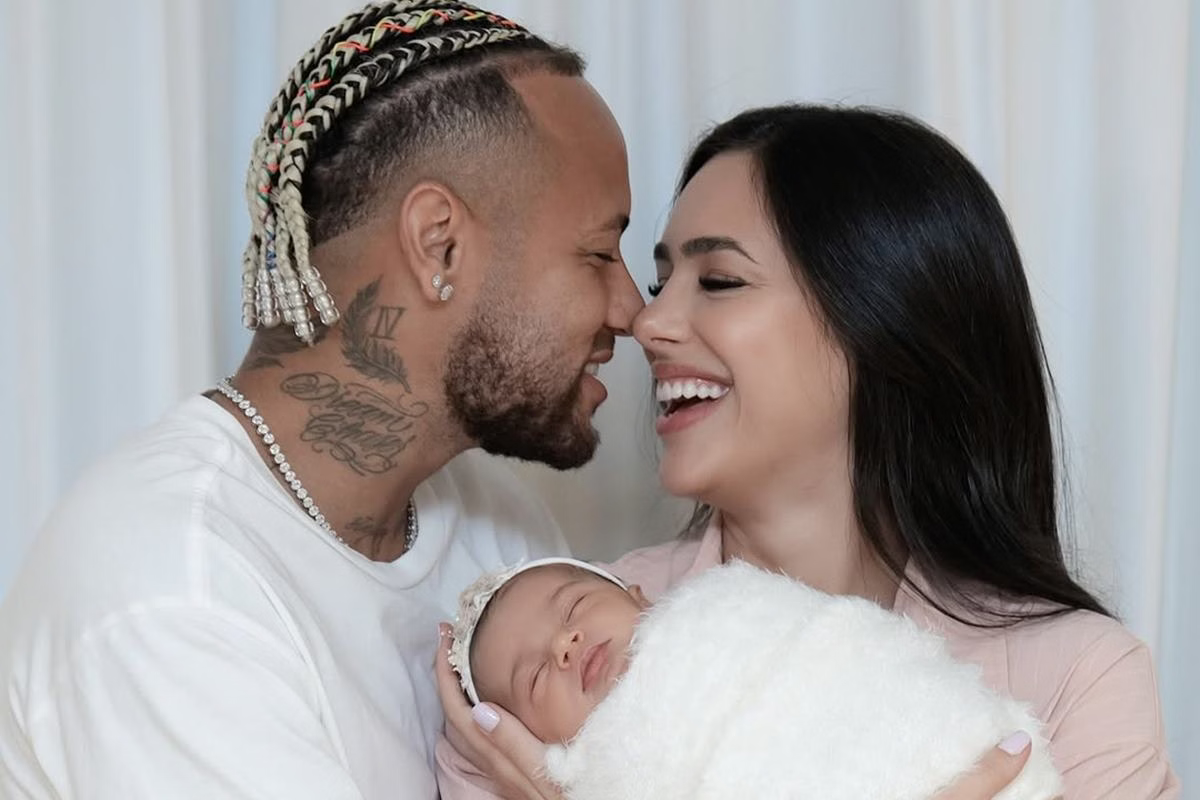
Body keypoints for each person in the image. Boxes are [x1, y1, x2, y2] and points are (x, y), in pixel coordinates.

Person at [434, 104, 1180, 799]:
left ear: (886, 322)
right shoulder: (539, 672)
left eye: (718, 280)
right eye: (663, 283)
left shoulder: (1078, 679)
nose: (649, 322)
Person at [0, 2, 643, 797]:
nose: (634, 310)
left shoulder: (498, 527)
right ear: (439, 244)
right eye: (598, 253)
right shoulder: (174, 592)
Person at [446, 556, 1063, 800]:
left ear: (638, 594)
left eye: (575, 608)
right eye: (534, 679)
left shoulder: (731, 602)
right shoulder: (598, 778)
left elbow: (852, 662)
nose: (564, 646)